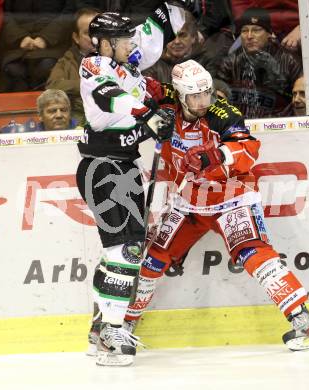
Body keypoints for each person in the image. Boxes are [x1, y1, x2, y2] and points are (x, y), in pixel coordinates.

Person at [120, 59, 309, 352]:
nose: (203, 101)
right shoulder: (167, 101)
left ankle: (304, 322)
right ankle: (125, 325)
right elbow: (136, 90)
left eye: (206, 93)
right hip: (189, 202)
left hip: (231, 198)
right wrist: (130, 73)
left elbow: (248, 148)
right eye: (195, 96)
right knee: (155, 255)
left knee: (254, 254)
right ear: (180, 95)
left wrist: (216, 156)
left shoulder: (223, 113)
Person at [76, 2, 188, 366]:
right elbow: (108, 95)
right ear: (103, 43)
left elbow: (153, 36)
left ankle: (100, 330)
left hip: (123, 167)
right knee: (126, 252)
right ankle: (111, 332)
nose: (129, 44)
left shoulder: (130, 67)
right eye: (122, 39)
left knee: (120, 252)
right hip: (102, 168)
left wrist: (176, 7)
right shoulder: (94, 65)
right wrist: (148, 115)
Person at [216, 7, 302, 119]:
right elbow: (219, 101)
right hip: (240, 125)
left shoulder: (289, 61)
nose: (249, 36)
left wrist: (275, 75)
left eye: (256, 30)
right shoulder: (230, 62)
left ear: (269, 34)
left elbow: (300, 99)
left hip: (279, 126)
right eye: (244, 31)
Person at [46, 7, 101, 126]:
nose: (94, 38)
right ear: (76, 38)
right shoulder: (66, 61)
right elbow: (52, 86)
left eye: (97, 31)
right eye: (87, 33)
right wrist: (88, 84)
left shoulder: (120, 57)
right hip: (79, 122)